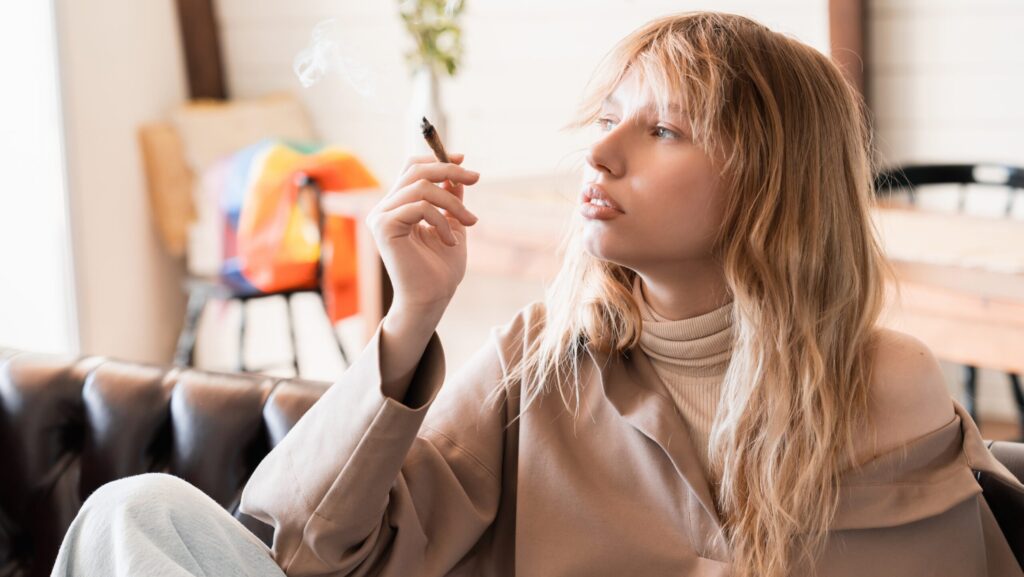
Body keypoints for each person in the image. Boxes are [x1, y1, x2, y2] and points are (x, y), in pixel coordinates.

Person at [51, 11, 1024, 577]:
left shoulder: (882, 382)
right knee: (130, 519)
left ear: (769, 181)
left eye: (664, 129)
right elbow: (310, 547)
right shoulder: (546, 351)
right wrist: (409, 318)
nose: (600, 150)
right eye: (606, 119)